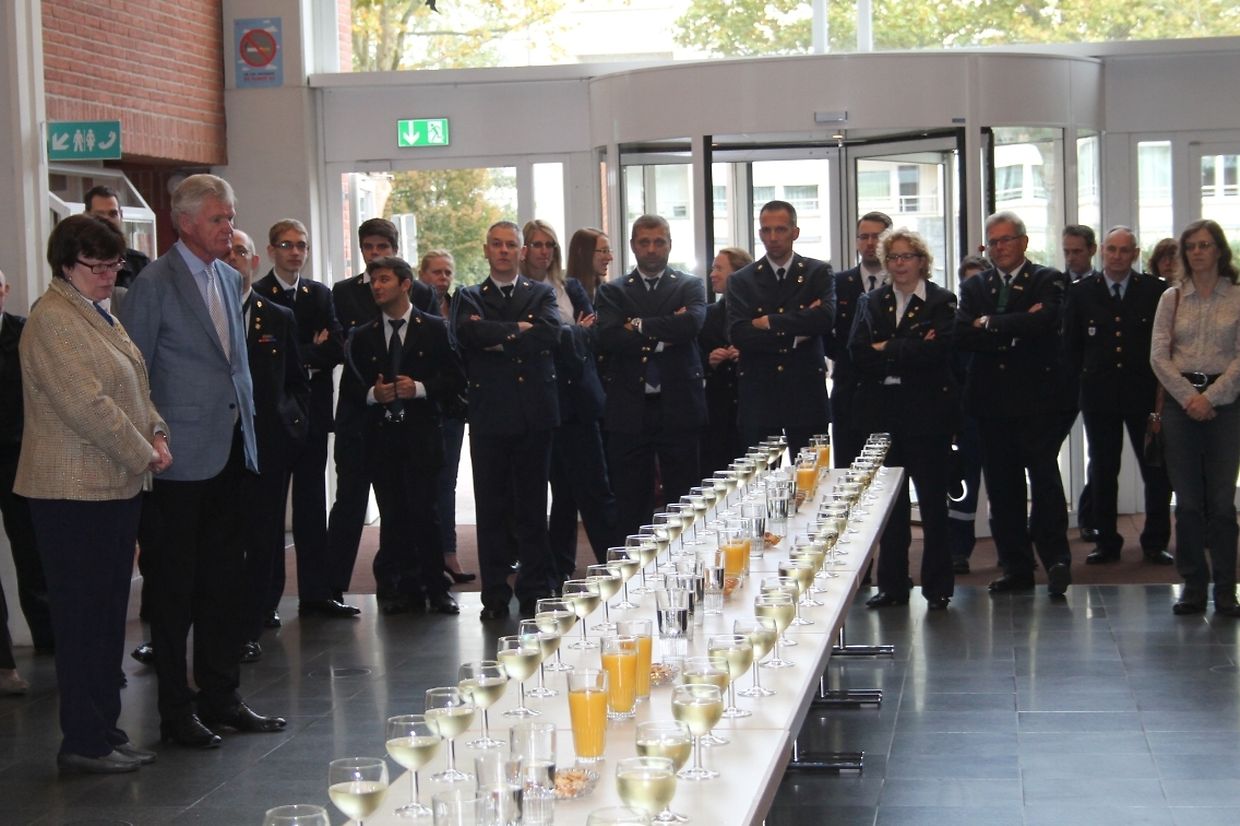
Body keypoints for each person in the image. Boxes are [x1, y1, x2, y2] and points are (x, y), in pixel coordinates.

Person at [119, 173, 285, 749]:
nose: (228, 228)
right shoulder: (154, 283)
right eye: (218, 219)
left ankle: (222, 696)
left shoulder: (228, 276)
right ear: (185, 222)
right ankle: (175, 710)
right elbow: (135, 373)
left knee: (224, 583)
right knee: (173, 590)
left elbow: (233, 366)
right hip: (177, 460)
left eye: (230, 217)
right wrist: (152, 438)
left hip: (231, 450)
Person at [15, 214, 170, 772]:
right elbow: (87, 405)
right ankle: (83, 740)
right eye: (97, 266)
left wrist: (157, 431)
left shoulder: (96, 311)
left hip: (110, 486)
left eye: (114, 265)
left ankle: (106, 729)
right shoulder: (53, 320)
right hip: (70, 493)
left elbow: (135, 385)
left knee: (106, 619)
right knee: (82, 621)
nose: (109, 276)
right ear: (65, 265)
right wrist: (143, 451)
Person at [955, 210, 1072, 599]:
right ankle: (1016, 567)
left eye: (1007, 239)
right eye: (994, 242)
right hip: (990, 404)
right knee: (1003, 490)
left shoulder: (1048, 279)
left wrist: (990, 324)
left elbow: (1047, 322)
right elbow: (963, 333)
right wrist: (1017, 326)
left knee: (1045, 482)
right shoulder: (975, 286)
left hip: (1038, 402)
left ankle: (1056, 560)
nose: (1000, 247)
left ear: (1023, 242)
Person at [328, 219, 443, 607]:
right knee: (353, 503)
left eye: (382, 247)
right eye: (368, 247)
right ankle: (333, 589)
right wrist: (371, 392)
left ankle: (411, 583)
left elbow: (432, 349)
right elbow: (341, 349)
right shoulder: (343, 292)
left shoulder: (420, 292)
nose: (374, 254)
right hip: (362, 419)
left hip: (410, 420)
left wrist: (416, 387)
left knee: (410, 508)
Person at [346, 256, 464, 615]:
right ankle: (402, 587)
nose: (377, 287)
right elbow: (351, 389)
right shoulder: (363, 335)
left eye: (384, 279)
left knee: (426, 513)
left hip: (423, 436)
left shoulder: (434, 328)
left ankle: (436, 587)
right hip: (383, 439)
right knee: (393, 515)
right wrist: (373, 394)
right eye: (373, 281)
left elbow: (455, 379)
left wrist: (420, 388)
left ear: (405, 284)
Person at [455, 221, 561, 620]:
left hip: (535, 414)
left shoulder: (541, 292)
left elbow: (549, 334)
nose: (503, 251)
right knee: (491, 510)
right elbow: (468, 335)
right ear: (486, 250)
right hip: (490, 416)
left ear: (521, 252)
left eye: (511, 245)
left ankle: (534, 590)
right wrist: (519, 329)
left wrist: (497, 338)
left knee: (533, 508)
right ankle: (495, 594)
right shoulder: (469, 295)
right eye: (496, 244)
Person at [849, 229, 958, 610]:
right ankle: (892, 586)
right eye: (892, 257)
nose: (899, 264)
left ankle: (938, 587)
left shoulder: (942, 300)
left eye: (906, 256)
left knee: (932, 505)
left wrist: (887, 347)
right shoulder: (871, 301)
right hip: (882, 414)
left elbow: (938, 353)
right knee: (890, 508)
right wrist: (910, 346)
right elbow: (858, 353)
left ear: (922, 261)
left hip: (928, 416)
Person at [253, 220, 355, 619]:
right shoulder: (259, 295)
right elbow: (263, 359)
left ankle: (316, 593)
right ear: (271, 250)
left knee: (313, 506)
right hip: (274, 418)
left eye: (301, 245)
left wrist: (294, 354)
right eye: (286, 245)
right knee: (270, 512)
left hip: (311, 414)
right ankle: (266, 602)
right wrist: (306, 354)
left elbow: (337, 349)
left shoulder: (319, 294)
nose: (295, 252)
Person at [1063, 226, 1173, 566]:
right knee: (1103, 471)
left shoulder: (1154, 291)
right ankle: (1106, 542)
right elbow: (1072, 346)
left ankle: (1155, 542)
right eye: (1111, 249)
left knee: (1155, 470)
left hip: (1144, 394)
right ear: (1102, 251)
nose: (1117, 256)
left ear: (1135, 254)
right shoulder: (1082, 292)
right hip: (1099, 396)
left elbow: (1165, 344)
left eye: (1125, 250)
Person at [596, 215, 707, 542]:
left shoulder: (689, 285)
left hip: (679, 405)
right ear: (633, 246)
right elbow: (609, 337)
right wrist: (666, 332)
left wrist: (637, 324)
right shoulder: (613, 291)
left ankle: (686, 563)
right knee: (631, 502)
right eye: (644, 242)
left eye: (659, 242)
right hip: (630, 408)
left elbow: (692, 325)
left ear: (670, 245)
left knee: (685, 501)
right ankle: (633, 568)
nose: (652, 249)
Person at [1150, 219, 1240, 616]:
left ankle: (1226, 588)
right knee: (1187, 503)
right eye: (1191, 247)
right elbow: (1158, 357)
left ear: (1219, 249)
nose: (1198, 252)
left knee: (1221, 503)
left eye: (1205, 245)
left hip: (1226, 404)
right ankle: (1192, 585)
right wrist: (1189, 398)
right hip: (1180, 405)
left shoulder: (1237, 296)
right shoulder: (1171, 298)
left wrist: (1211, 397)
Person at [229, 229, 310, 660]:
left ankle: (252, 622)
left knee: (263, 536)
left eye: (240, 251)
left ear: (254, 261)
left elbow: (296, 380)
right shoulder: (203, 313)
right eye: (226, 252)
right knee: (222, 539)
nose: (233, 258)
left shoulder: (277, 316)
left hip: (268, 445)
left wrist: (291, 425)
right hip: (216, 447)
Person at [522, 220, 616, 580]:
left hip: (579, 400)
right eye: (537, 244)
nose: (544, 251)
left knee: (595, 488)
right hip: (540, 402)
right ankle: (557, 568)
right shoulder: (520, 291)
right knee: (557, 493)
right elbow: (532, 342)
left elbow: (594, 334)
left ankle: (613, 563)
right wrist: (571, 332)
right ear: (524, 250)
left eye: (550, 245)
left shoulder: (569, 286)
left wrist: (558, 334)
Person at [727, 200, 834, 460]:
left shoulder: (817, 272)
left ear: (795, 232)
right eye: (766, 230)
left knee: (812, 474)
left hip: (806, 390)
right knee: (759, 477)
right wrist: (798, 332)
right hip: (759, 393)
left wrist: (769, 322)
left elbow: (825, 319)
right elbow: (739, 334)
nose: (773, 237)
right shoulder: (742, 279)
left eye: (780, 229)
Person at [0, 267, 54, 656]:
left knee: (31, 553)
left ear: (5, 289)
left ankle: (50, 643)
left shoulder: (24, 333)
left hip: (18, 459)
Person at [417, 250, 473, 585]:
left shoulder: (460, 306)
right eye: (436, 272)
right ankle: (424, 558)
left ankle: (449, 552)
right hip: (421, 406)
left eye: (448, 272)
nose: (442, 278)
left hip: (453, 405)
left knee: (447, 482)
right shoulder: (414, 309)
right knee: (423, 483)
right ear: (422, 274)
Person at [827, 211, 892, 468]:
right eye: (863, 237)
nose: (870, 243)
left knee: (891, 473)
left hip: (891, 393)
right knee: (847, 471)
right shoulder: (838, 283)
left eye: (877, 236)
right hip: (849, 391)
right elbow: (825, 332)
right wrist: (848, 355)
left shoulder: (903, 283)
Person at [947, 255, 988, 574]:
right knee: (964, 487)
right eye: (967, 283)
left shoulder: (1002, 319)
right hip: (967, 417)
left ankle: (1013, 552)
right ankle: (958, 550)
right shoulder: (955, 327)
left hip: (1001, 413)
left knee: (1006, 484)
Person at [699, 247, 751, 476]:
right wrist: (709, 361)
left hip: (752, 411)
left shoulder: (757, 313)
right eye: (712, 268)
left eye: (719, 268)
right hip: (716, 415)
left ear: (739, 274)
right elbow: (694, 358)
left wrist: (748, 355)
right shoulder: (706, 314)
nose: (712, 274)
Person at [1061, 225, 1099, 541]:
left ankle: (1089, 516)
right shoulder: (1055, 286)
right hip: (1060, 379)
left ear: (1092, 250)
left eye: (1077, 251)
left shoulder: (1101, 287)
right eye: (1067, 251)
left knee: (1099, 454)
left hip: (1093, 379)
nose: (1071, 258)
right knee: (1045, 452)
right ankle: (1048, 521)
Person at [83, 185, 149, 289]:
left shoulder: (139, 264)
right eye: (99, 215)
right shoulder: (76, 264)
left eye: (112, 214)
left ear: (121, 216)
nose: (107, 220)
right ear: (86, 217)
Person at [565, 227, 612, 303]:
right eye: (604, 251)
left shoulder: (606, 292)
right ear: (581, 253)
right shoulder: (565, 296)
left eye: (609, 251)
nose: (610, 257)